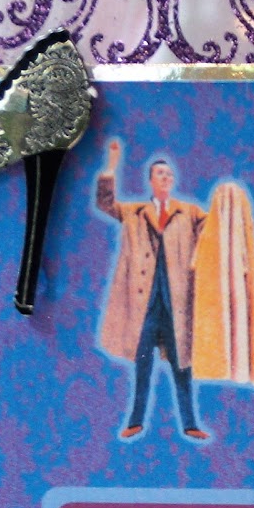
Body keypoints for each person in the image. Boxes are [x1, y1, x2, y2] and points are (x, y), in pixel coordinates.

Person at [96, 141, 210, 441]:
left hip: (176, 305)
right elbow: (105, 204)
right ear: (150, 180)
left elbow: (213, 231)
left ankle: (190, 423)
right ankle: (136, 421)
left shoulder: (189, 212)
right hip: (144, 305)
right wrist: (112, 165)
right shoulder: (134, 212)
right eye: (160, 174)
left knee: (182, 365)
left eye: (169, 175)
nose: (166, 178)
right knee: (142, 365)